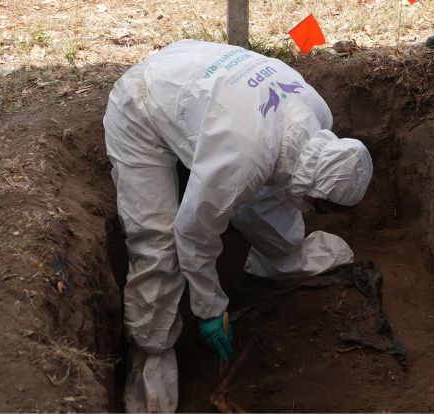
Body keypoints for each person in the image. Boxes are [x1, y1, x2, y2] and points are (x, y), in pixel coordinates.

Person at [103, 40, 373, 413]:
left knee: (267, 200)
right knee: (158, 239)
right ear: (314, 189)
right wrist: (211, 308)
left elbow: (274, 180)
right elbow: (193, 234)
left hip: (198, 77)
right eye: (318, 205)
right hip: (144, 104)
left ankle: (280, 258)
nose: (313, 209)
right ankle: (152, 349)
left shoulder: (317, 117)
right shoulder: (239, 165)